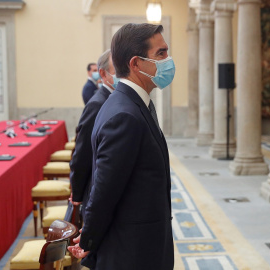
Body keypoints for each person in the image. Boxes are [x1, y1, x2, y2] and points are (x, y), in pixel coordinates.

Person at [68, 23, 175, 270]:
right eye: (161, 54)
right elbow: (105, 188)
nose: (168, 61)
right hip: (132, 252)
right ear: (136, 64)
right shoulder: (124, 114)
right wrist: (88, 239)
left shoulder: (133, 103)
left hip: (142, 244)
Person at [69, 49, 118, 218]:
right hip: (94, 187)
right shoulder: (97, 103)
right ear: (103, 74)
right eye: (117, 70)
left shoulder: (114, 98)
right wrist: (77, 195)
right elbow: (82, 152)